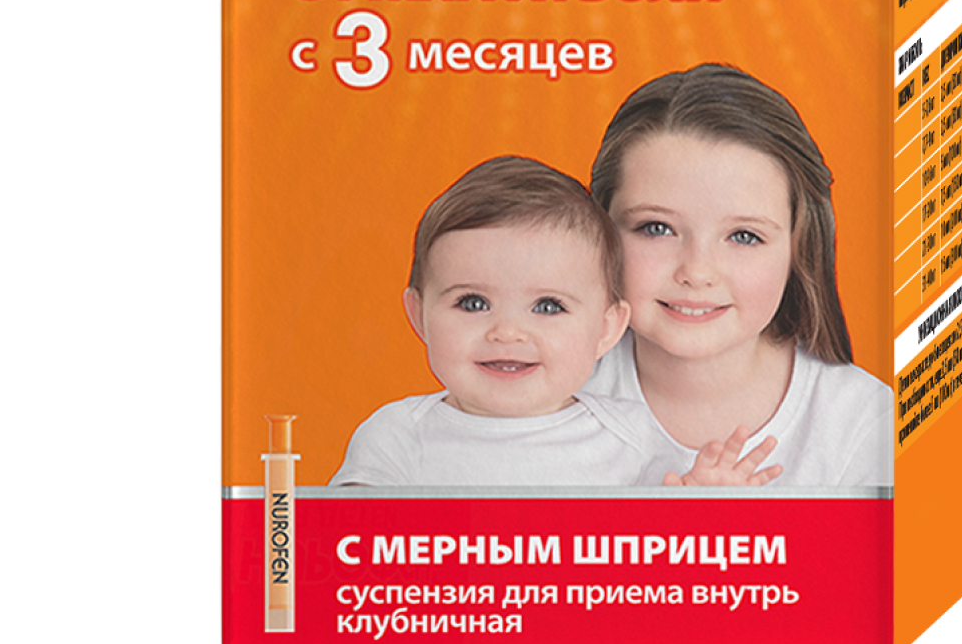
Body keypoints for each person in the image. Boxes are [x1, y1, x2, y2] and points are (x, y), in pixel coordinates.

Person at [331, 155, 781, 486]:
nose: (507, 332)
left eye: (548, 307)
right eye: (472, 303)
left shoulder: (633, 436)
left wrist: (701, 503)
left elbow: (667, 551)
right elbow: (340, 542)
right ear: (418, 315)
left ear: (606, 328)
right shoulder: (398, 434)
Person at [586, 65, 894, 488]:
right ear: (597, 231)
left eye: (744, 236)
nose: (696, 272)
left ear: (799, 247)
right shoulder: (541, 392)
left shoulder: (863, 424)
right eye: (656, 228)